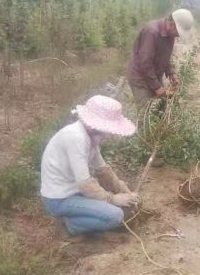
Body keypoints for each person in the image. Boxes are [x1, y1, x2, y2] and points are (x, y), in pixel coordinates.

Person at [40, 95, 141, 236]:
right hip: (59, 198)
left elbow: (103, 170)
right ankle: (70, 225)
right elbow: (85, 184)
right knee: (115, 216)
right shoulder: (76, 138)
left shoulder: (90, 137)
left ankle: (79, 214)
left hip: (73, 191)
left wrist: (123, 190)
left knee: (112, 202)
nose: (109, 135)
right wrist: (113, 198)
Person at [127, 8, 195, 107]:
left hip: (154, 75)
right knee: (147, 113)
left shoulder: (170, 35)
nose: (178, 36)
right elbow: (145, 62)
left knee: (160, 108)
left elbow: (165, 56)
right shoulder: (152, 32)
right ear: (172, 24)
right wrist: (157, 87)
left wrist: (171, 73)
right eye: (178, 33)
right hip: (140, 78)